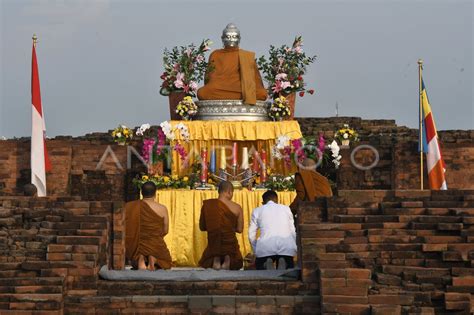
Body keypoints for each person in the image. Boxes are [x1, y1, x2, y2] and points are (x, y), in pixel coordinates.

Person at [197, 23, 267, 104]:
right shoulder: (215, 54)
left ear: (239, 39)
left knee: (262, 93)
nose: (231, 39)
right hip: (220, 89)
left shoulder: (247, 56)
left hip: (241, 88)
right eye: (228, 37)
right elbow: (209, 79)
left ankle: (244, 94)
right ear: (222, 38)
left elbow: (256, 81)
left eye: (234, 37)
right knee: (203, 92)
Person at [125, 181, 172, 270]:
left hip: (136, 245)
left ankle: (140, 259)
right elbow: (165, 230)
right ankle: (153, 259)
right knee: (166, 263)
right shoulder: (162, 208)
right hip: (155, 245)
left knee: (134, 259)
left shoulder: (130, 206)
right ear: (155, 193)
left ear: (141, 193)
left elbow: (127, 229)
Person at [199, 181, 243, 270]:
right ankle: (227, 258)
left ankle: (216, 258)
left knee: (216, 238)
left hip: (214, 244)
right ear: (229, 192)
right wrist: (228, 228)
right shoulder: (237, 207)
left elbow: (202, 227)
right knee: (236, 260)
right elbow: (239, 229)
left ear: (219, 191)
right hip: (230, 244)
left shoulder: (208, 205)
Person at [248, 190, 297, 270]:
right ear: (277, 200)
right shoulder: (286, 209)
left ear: (263, 202)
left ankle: (265, 265)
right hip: (286, 248)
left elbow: (251, 235)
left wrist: (256, 250)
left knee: (261, 268)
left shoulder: (257, 211)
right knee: (288, 271)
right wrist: (293, 247)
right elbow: (292, 231)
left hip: (265, 248)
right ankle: (284, 264)